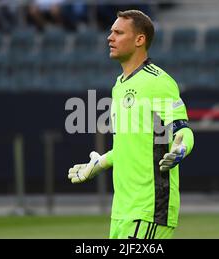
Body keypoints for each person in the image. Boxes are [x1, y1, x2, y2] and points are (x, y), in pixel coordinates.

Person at [68, 10, 194, 239]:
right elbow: (131, 146)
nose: (110, 37)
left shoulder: (159, 82)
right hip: (122, 211)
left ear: (139, 40)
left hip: (149, 209)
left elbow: (182, 128)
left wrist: (182, 148)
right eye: (110, 32)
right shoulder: (119, 85)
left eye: (118, 32)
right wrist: (99, 163)